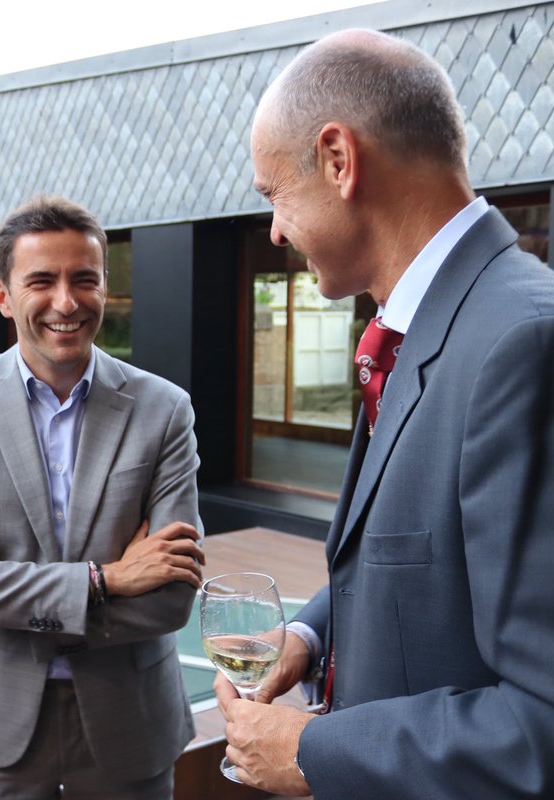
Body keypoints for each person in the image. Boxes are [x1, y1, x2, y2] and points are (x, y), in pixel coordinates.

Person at [216, 28, 554, 799]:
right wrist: (310, 634)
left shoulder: (521, 345)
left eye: (273, 194)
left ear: (339, 159)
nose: (274, 230)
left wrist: (313, 753)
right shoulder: (427, 329)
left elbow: (542, 724)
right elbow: (421, 561)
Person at [0, 196, 206, 799]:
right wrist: (107, 580)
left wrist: (2, 586)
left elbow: (172, 598)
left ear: (105, 287)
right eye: (42, 281)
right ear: (3, 296)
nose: (67, 302)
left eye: (84, 280)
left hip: (129, 717)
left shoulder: (164, 410)